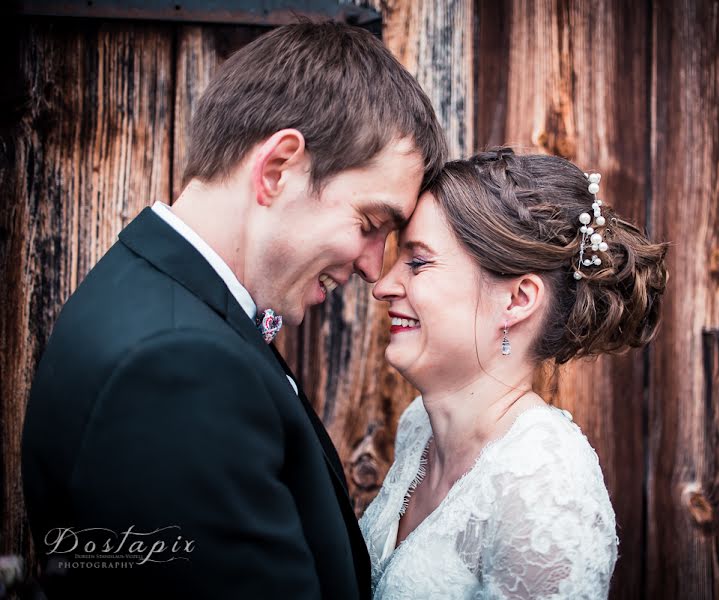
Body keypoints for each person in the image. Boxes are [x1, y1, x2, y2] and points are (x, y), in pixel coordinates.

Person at [21, 19, 446, 600]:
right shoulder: (176, 368)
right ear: (277, 169)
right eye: (371, 225)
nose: (375, 268)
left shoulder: (163, 304)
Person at [360, 148, 668, 599]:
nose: (383, 286)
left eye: (418, 261)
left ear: (518, 299)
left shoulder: (545, 488)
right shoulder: (418, 428)